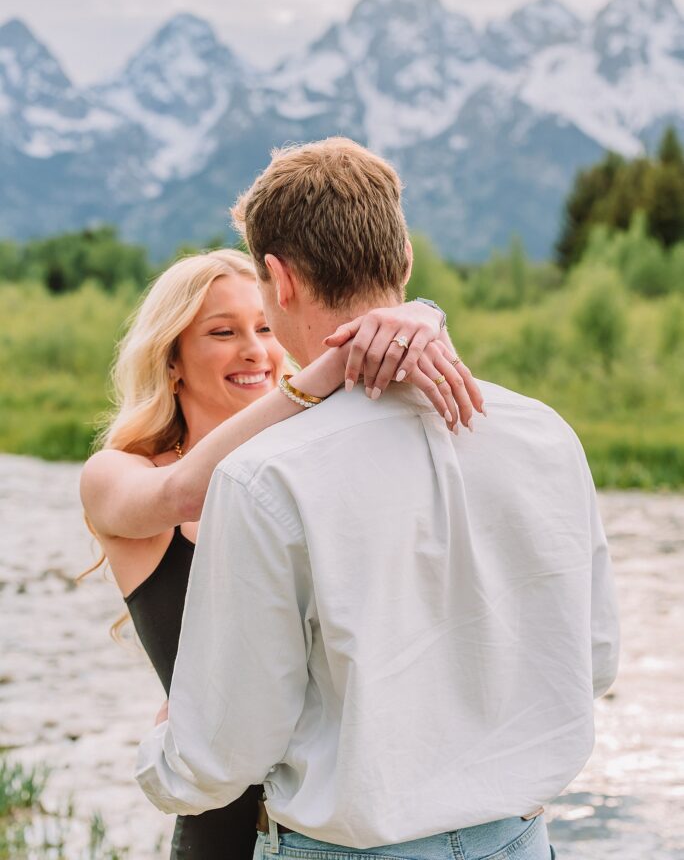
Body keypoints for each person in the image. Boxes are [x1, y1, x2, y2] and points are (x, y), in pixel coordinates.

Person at [136, 139, 620, 860]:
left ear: (279, 279)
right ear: (403, 262)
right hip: (522, 841)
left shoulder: (264, 477)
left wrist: (158, 753)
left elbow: (224, 755)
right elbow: (595, 662)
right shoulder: (544, 434)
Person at [80, 246, 482, 860]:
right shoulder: (117, 474)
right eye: (223, 332)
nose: (256, 350)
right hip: (225, 833)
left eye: (266, 328)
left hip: (352, 831)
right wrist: (325, 368)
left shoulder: (311, 462)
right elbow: (184, 492)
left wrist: (422, 314)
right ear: (172, 360)